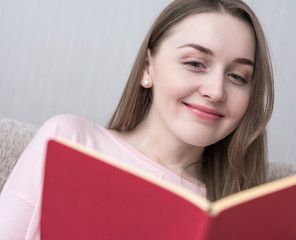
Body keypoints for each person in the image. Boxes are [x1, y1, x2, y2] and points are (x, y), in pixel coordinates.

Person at [0, 0, 274, 239]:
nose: (215, 91)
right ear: (147, 68)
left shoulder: (236, 212)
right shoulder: (68, 140)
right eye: (195, 63)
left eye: (237, 77)